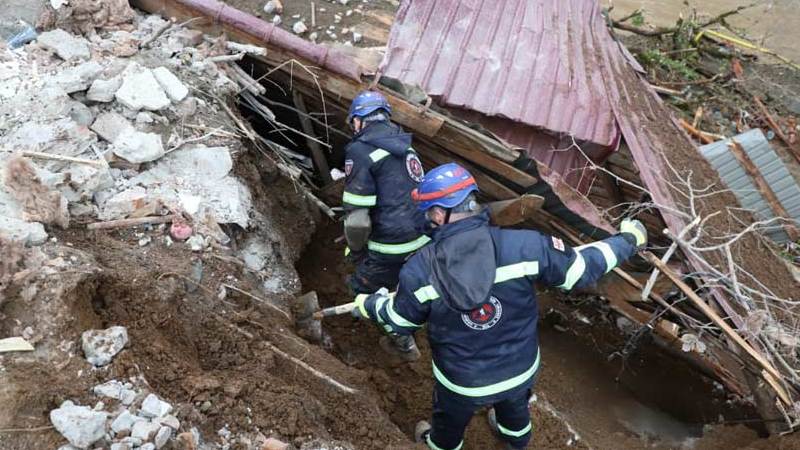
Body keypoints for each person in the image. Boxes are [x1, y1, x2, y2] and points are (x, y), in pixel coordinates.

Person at [352, 162, 648, 450]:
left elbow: (401, 322)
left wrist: (372, 304)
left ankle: (440, 444)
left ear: (440, 213)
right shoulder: (527, 245)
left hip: (462, 383)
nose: (426, 218)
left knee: (448, 422)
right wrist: (629, 240)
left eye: (428, 212)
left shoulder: (419, 271)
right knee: (515, 408)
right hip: (520, 370)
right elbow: (581, 268)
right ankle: (515, 440)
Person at [342, 90, 429, 361]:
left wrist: (357, 251)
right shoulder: (405, 146)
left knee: (361, 288)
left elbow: (356, 222)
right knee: (408, 284)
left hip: (392, 243)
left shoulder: (360, 150)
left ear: (358, 121)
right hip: (424, 238)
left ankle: (402, 343)